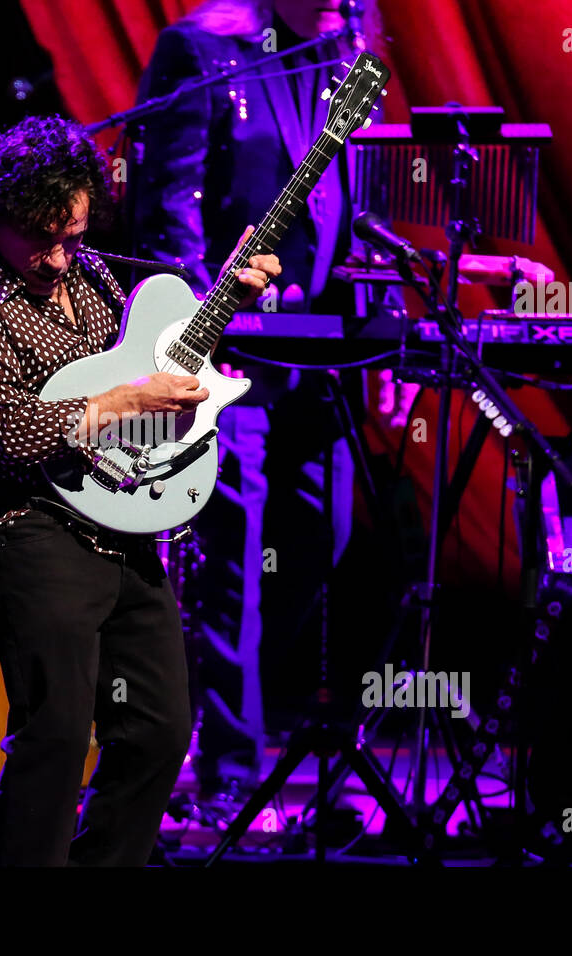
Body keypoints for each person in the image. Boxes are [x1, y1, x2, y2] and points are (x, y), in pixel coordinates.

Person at [0, 114, 280, 866]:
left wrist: (227, 299)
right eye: (41, 239)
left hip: (120, 522)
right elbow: (9, 436)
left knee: (159, 727)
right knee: (54, 735)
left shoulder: (89, 275)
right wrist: (124, 405)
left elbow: (150, 360)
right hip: (26, 525)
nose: (58, 257)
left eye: (73, 236)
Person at [127, 0, 395, 799]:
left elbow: (345, 216)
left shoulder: (342, 66)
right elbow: (165, 212)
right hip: (222, 352)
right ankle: (228, 775)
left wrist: (381, 318)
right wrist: (189, 332)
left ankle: (254, 730)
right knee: (232, 563)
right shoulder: (204, 52)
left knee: (326, 536)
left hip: (314, 354)